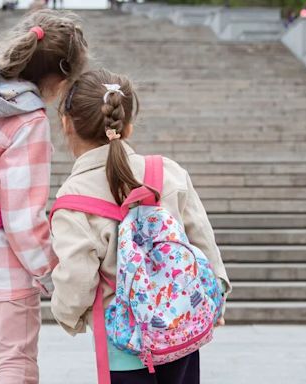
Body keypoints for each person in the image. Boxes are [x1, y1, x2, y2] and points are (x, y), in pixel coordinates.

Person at [49, 68, 232, 384]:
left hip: (123, 340)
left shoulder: (73, 196)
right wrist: (216, 297)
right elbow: (202, 241)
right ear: (128, 125)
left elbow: (77, 276)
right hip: (180, 329)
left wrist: (68, 316)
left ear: (67, 124)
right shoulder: (168, 172)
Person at [0, 9, 88, 384]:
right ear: (61, 75)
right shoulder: (26, 121)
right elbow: (21, 218)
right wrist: (50, 272)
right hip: (7, 272)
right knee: (15, 365)